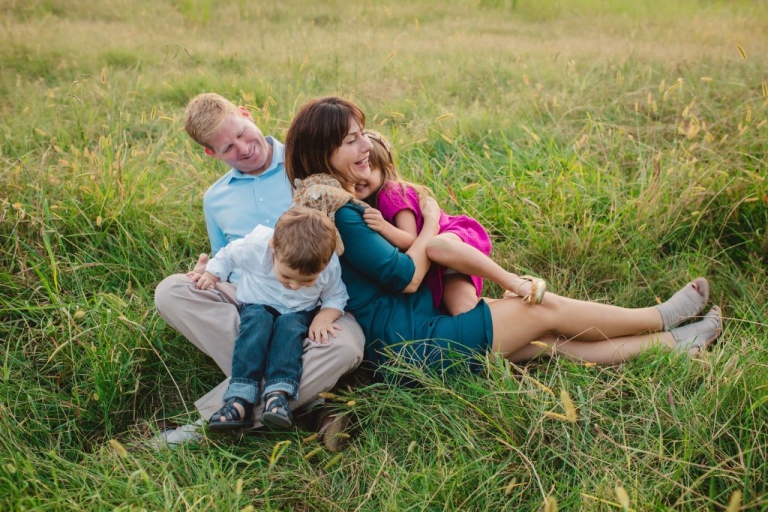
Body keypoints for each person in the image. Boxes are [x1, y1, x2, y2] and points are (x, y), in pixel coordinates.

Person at [283, 96, 723, 377]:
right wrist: (432, 223)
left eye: (363, 136)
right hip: (413, 343)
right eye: (352, 141)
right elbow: (407, 276)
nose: (366, 148)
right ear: (323, 154)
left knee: (545, 342)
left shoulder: (327, 199)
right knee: (540, 309)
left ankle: (670, 345)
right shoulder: (340, 214)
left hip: (413, 331)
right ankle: (659, 317)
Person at [153, 93, 364, 447]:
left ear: (247, 114)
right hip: (252, 298)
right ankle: (302, 397)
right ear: (211, 154)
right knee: (171, 291)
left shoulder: (306, 162)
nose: (244, 149)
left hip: (314, 298)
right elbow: (227, 257)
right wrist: (208, 274)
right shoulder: (215, 199)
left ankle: (218, 420)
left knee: (346, 348)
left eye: (241, 133)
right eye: (227, 148)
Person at [188, 207, 348, 431]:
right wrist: (211, 275)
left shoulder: (329, 266)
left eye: (307, 282)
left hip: (298, 311)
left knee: (290, 331)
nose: (294, 286)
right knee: (256, 325)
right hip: (257, 303)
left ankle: (278, 396)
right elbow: (229, 254)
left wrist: (324, 316)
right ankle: (239, 398)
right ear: (273, 248)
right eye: (286, 276)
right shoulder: (256, 246)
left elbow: (336, 295)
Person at [355, 129, 546, 315]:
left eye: (370, 168)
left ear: (387, 169)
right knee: (465, 312)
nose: (361, 177)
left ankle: (513, 281)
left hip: (449, 241)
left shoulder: (391, 192)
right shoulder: (370, 201)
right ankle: (530, 319)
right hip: (439, 266)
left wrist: (383, 227)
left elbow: (410, 238)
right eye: (358, 167)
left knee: (435, 246)